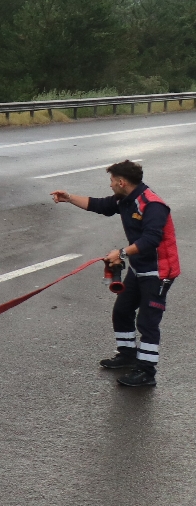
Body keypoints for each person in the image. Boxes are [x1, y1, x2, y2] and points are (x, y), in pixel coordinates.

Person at [50, 159, 180, 388]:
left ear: (121, 182)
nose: (110, 185)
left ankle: (146, 372)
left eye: (111, 181)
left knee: (147, 322)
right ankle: (128, 355)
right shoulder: (125, 198)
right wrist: (69, 198)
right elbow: (100, 205)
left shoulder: (152, 205)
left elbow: (152, 239)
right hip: (139, 268)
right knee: (122, 311)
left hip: (159, 271)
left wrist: (121, 253)